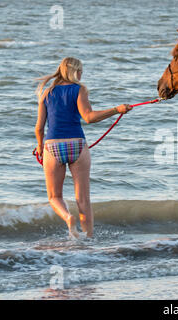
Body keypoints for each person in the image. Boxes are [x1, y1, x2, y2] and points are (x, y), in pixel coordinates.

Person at [35, 57, 132, 238]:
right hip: (77, 145)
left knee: (54, 197)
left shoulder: (47, 93)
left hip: (52, 146)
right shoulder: (79, 89)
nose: (81, 74)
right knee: (83, 199)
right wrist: (116, 110)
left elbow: (39, 128)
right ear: (75, 71)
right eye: (80, 70)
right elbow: (89, 117)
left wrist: (40, 147)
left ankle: (68, 217)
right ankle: (88, 240)